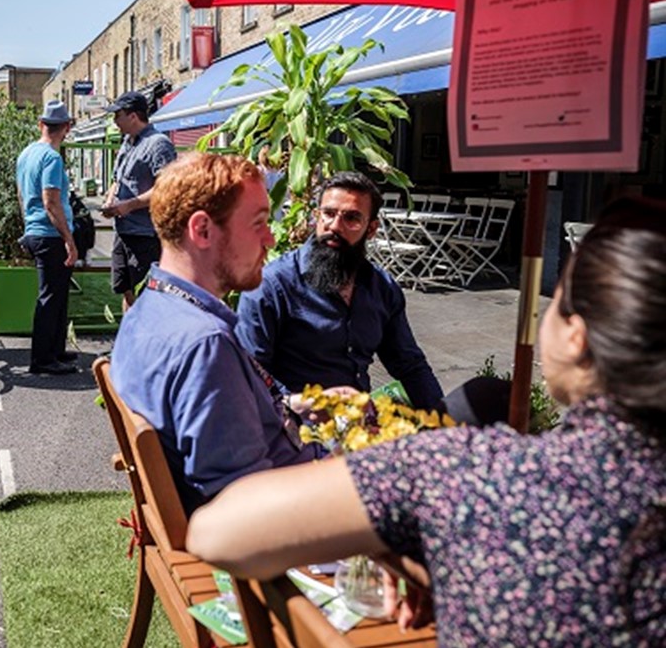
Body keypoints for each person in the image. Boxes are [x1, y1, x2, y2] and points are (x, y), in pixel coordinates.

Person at [188, 196, 666, 646]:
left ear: (576, 338)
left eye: (555, 301)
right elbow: (257, 368)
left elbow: (217, 532)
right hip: (301, 425)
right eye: (326, 214)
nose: (334, 226)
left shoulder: (470, 472)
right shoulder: (276, 283)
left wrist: (425, 457)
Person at [111, 153, 323, 515]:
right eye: (258, 223)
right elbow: (247, 508)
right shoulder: (205, 347)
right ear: (203, 230)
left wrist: (288, 407)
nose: (271, 239)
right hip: (298, 518)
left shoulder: (149, 310)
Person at [236, 170, 504, 420]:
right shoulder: (271, 287)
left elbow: (409, 365)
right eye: (328, 214)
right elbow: (250, 378)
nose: (335, 226)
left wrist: (439, 425)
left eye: (351, 218)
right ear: (316, 217)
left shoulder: (381, 288)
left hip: (361, 424)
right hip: (293, 429)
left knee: (489, 397)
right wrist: (307, 404)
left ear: (371, 229)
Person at [16, 100, 79, 375]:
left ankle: (55, 351)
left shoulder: (26, 154)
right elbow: (51, 202)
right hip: (51, 234)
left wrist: (27, 225)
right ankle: (42, 360)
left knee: (57, 295)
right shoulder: (52, 158)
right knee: (50, 297)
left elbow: (21, 195)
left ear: (42, 125)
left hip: (35, 230)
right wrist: (69, 239)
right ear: (66, 128)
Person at [101, 91, 177, 311]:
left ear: (133, 116)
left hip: (145, 235)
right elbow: (117, 179)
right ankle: (129, 339)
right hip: (124, 231)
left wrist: (128, 205)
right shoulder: (127, 142)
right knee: (126, 289)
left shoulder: (158, 144)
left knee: (146, 295)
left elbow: (166, 189)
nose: (115, 121)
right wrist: (110, 200)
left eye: (118, 115)